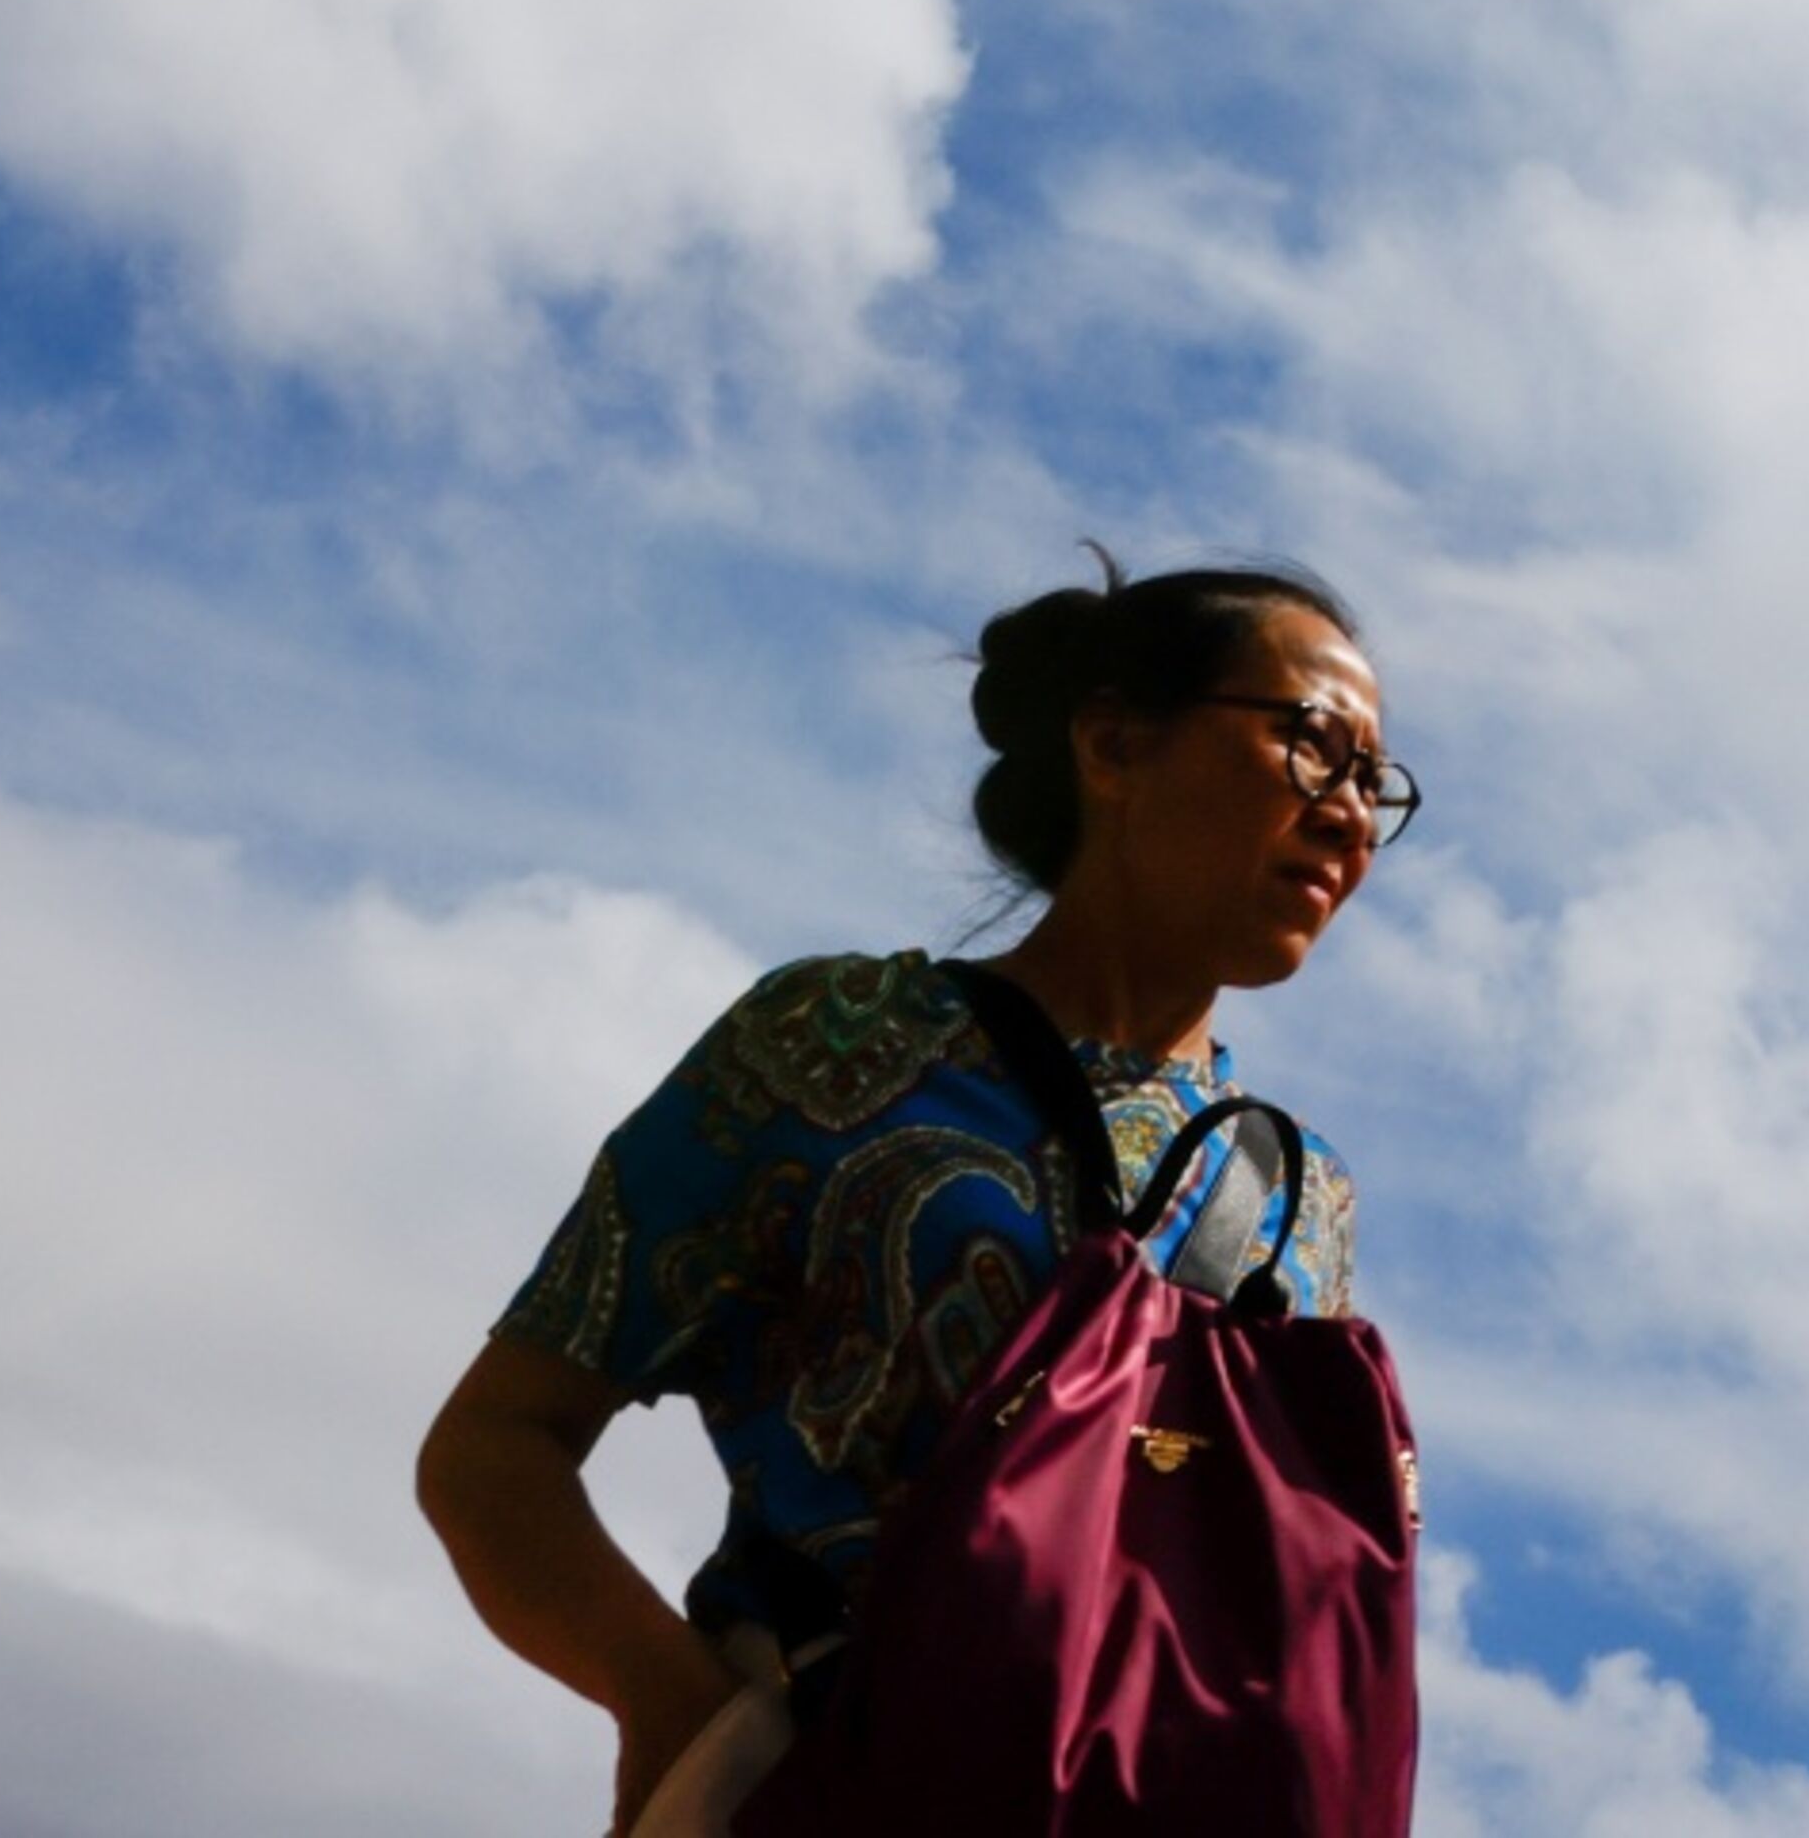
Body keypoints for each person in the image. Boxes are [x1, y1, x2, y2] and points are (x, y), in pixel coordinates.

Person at [417, 560, 1403, 1831]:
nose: (1352, 817)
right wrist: (682, 1711)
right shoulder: (832, 1040)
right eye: (1314, 746)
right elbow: (498, 1443)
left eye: (1376, 784)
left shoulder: (1301, 1197)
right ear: (1112, 743)